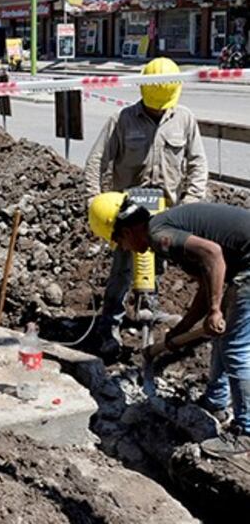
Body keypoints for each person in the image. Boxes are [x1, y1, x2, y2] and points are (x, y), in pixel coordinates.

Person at [88, 192, 250, 457]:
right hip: (243, 262)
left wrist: (215, 309)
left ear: (128, 230)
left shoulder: (159, 234)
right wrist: (183, 328)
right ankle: (215, 403)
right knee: (225, 337)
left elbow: (214, 255)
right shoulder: (165, 231)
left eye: (119, 241)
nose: (125, 249)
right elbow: (207, 282)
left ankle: (246, 432)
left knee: (235, 346)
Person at [84, 57, 208, 358]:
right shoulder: (122, 120)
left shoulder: (185, 119)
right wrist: (94, 200)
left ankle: (147, 310)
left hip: (166, 211)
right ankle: (109, 325)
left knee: (159, 265)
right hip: (129, 214)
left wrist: (190, 203)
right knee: (123, 270)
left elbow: (198, 163)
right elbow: (96, 161)